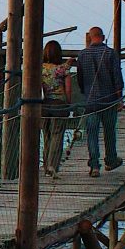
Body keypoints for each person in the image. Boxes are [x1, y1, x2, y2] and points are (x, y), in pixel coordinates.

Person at [77, 26, 124, 177]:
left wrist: (86, 93)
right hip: (108, 99)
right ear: (103, 37)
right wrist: (119, 99)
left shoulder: (82, 55)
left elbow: (80, 78)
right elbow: (117, 78)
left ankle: (95, 165)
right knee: (109, 132)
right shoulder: (110, 53)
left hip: (91, 101)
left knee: (92, 133)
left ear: (90, 37)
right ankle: (110, 159)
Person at [41, 40, 72, 177]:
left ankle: (46, 164)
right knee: (57, 135)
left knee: (46, 135)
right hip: (59, 104)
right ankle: (53, 165)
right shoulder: (63, 70)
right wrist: (69, 104)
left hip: (43, 104)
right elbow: (69, 89)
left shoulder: (40, 68)